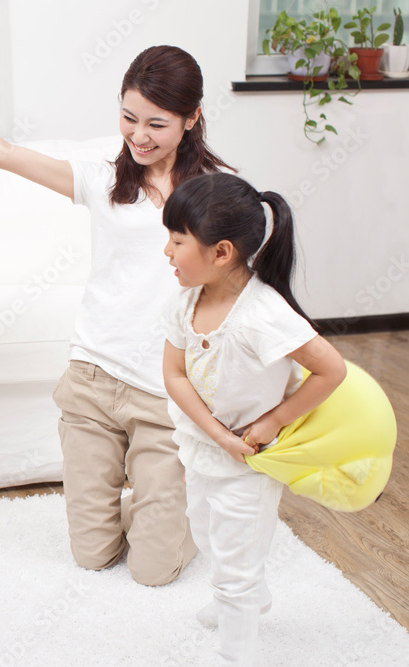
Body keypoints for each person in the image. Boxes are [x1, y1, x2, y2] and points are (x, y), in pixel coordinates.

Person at [0, 45, 227, 585]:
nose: (138, 135)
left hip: (166, 394)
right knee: (93, 556)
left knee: (153, 571)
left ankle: (173, 510)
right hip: (93, 384)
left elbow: (237, 295)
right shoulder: (104, 182)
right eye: (128, 118)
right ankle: (152, 506)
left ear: (191, 119)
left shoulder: (218, 195)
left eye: (157, 123)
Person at [160, 172, 346, 666]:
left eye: (178, 241)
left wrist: (272, 422)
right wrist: (216, 433)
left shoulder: (264, 314)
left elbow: (331, 369)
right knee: (206, 532)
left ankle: (237, 642)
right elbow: (175, 375)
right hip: (203, 446)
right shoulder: (185, 302)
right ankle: (240, 597)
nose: (167, 252)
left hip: (249, 461)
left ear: (221, 252)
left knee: (238, 555)